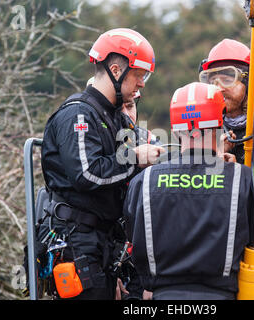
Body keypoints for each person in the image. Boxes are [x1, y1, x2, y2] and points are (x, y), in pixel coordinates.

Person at [38, 28, 164, 300]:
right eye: (140, 75)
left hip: (103, 245)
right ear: (116, 70)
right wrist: (136, 158)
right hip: (77, 242)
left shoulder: (115, 118)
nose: (142, 83)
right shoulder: (78, 113)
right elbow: (86, 173)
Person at [123, 82, 254, 300]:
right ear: (219, 124)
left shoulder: (143, 181)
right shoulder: (242, 178)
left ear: (175, 131)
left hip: (162, 295)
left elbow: (133, 238)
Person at [199, 39, 251, 164]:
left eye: (227, 80)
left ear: (248, 83)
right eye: (213, 82)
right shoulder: (201, 128)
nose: (219, 88)